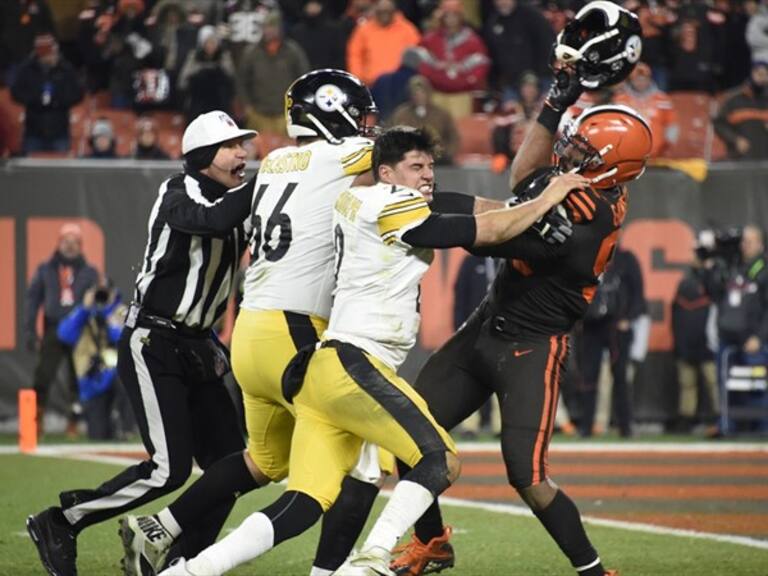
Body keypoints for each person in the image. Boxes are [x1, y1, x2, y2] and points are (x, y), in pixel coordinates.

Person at [157, 126, 587, 576]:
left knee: (303, 502)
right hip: (355, 364)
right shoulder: (391, 204)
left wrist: (515, 207)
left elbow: (447, 206)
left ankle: (186, 573)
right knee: (439, 459)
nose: (427, 176)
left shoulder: (354, 200)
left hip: (325, 370)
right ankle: (371, 561)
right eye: (415, 167)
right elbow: (479, 229)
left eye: (430, 166)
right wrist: (546, 198)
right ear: (385, 172)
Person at [390, 5, 652, 573]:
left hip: (531, 347)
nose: (569, 153)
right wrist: (558, 99)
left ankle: (593, 569)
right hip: (487, 324)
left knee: (526, 476)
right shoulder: (576, 189)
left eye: (581, 153)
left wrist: (420, 206)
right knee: (405, 432)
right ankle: (432, 543)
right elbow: (517, 186)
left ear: (606, 168)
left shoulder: (583, 222)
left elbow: (485, 232)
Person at [120, 69, 386, 576]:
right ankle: (349, 563)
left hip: (249, 334)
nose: (367, 127)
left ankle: (161, 528)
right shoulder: (334, 157)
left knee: (262, 462)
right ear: (334, 112)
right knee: (362, 444)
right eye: (362, 116)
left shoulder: (280, 162)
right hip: (295, 330)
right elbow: (394, 156)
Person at [27, 110, 258, 576]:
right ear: (200, 157)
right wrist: (269, 180)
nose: (243, 154)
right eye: (231, 146)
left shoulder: (239, 202)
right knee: (168, 468)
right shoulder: (178, 192)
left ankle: (180, 557)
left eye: (244, 146)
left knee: (230, 468)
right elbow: (209, 221)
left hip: (199, 345)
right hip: (154, 340)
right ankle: (62, 521)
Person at [24, 223, 99, 436]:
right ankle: (34, 421)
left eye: (75, 242)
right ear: (59, 243)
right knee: (43, 375)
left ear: (81, 246)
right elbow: (32, 300)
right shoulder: (46, 268)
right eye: (67, 241)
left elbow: (96, 303)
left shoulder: (89, 271)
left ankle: (73, 422)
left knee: (77, 379)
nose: (70, 246)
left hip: (79, 330)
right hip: (54, 327)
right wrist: (30, 330)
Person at [702, 224, 768, 433]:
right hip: (728, 337)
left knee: (757, 383)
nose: (744, 246)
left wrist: (759, 336)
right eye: (743, 241)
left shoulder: (764, 269)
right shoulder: (733, 266)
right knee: (725, 385)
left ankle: (762, 425)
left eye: (749, 241)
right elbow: (714, 294)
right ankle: (727, 423)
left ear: (760, 243)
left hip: (754, 339)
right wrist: (710, 266)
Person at [577, 245, 646, 438]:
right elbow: (575, 288)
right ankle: (586, 426)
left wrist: (629, 318)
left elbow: (638, 292)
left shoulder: (626, 259)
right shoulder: (586, 256)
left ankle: (625, 426)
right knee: (588, 377)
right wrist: (578, 318)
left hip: (616, 326)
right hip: (591, 327)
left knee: (621, 377)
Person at [56, 280, 129, 440]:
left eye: (105, 292)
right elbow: (64, 335)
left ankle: (126, 426)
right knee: (98, 435)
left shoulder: (120, 312)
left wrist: (109, 313)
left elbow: (123, 339)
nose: (101, 296)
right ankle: (109, 424)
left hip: (117, 375)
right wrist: (85, 309)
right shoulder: (81, 315)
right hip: (92, 380)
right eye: (98, 292)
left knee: (126, 379)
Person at [10, 34, 83, 155]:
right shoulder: (27, 69)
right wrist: (35, 100)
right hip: (34, 129)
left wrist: (57, 100)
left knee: (60, 169)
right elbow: (16, 93)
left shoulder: (66, 69)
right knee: (31, 170)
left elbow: (77, 94)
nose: (51, 54)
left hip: (59, 129)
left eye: (52, 50)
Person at [671, 255, 719, 435]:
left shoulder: (715, 281)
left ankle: (720, 417)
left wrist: (710, 269)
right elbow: (676, 314)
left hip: (708, 343)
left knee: (714, 382)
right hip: (687, 342)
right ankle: (686, 418)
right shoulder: (685, 284)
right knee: (687, 383)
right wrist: (679, 342)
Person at [389, 75, 460, 165]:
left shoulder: (442, 114)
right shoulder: (401, 114)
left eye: (422, 93)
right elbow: (392, 137)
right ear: (410, 95)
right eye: (415, 94)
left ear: (428, 93)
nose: (419, 97)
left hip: (438, 160)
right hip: (408, 159)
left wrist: (447, 153)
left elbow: (453, 137)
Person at [713, 60, 768, 160]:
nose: (762, 78)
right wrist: (735, 140)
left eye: (765, 75)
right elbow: (719, 124)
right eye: (759, 74)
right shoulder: (733, 99)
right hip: (740, 158)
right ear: (751, 74)